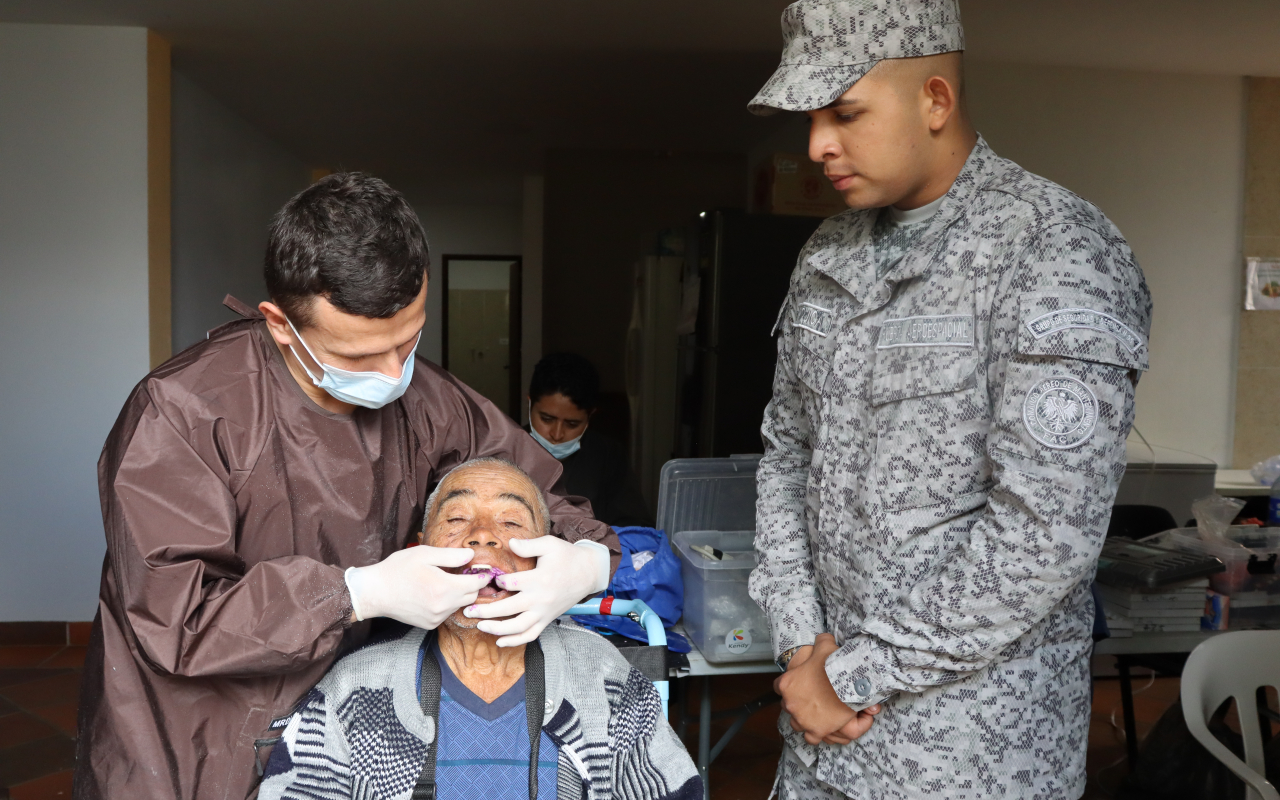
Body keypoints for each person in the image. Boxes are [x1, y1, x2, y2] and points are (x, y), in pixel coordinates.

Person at [76, 173, 620, 800]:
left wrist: (585, 561)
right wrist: (356, 593)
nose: (394, 375)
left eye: (408, 340)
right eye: (360, 358)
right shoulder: (182, 413)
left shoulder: (432, 401)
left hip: (357, 729)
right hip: (196, 743)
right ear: (281, 324)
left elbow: (533, 490)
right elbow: (177, 616)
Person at [747, 1, 1152, 798]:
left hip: (970, 758)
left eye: (845, 112)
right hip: (821, 746)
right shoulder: (827, 253)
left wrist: (854, 675)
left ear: (935, 99)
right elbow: (787, 452)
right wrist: (800, 647)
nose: (818, 144)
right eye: (812, 117)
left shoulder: (1056, 250)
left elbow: (1044, 533)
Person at [258, 457, 701, 800]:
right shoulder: (356, 688)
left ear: (546, 553)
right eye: (455, 520)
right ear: (420, 549)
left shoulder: (605, 680)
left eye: (511, 522)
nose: (483, 536)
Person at [526, 353, 653, 528]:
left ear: (590, 416)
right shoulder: (506, 448)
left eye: (572, 424)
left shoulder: (608, 455)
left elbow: (633, 526)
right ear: (530, 403)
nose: (557, 434)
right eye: (547, 419)